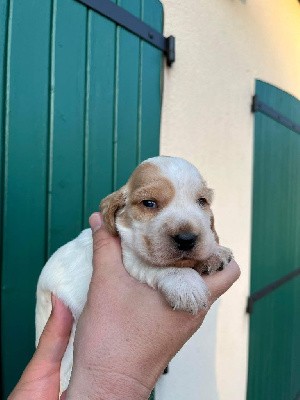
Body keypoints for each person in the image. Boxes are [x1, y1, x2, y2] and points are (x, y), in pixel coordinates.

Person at [9, 212, 240, 400]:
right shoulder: (115, 238)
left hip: (60, 365)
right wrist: (117, 385)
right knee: (63, 370)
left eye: (201, 201)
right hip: (69, 320)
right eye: (150, 203)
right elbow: (131, 262)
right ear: (116, 210)